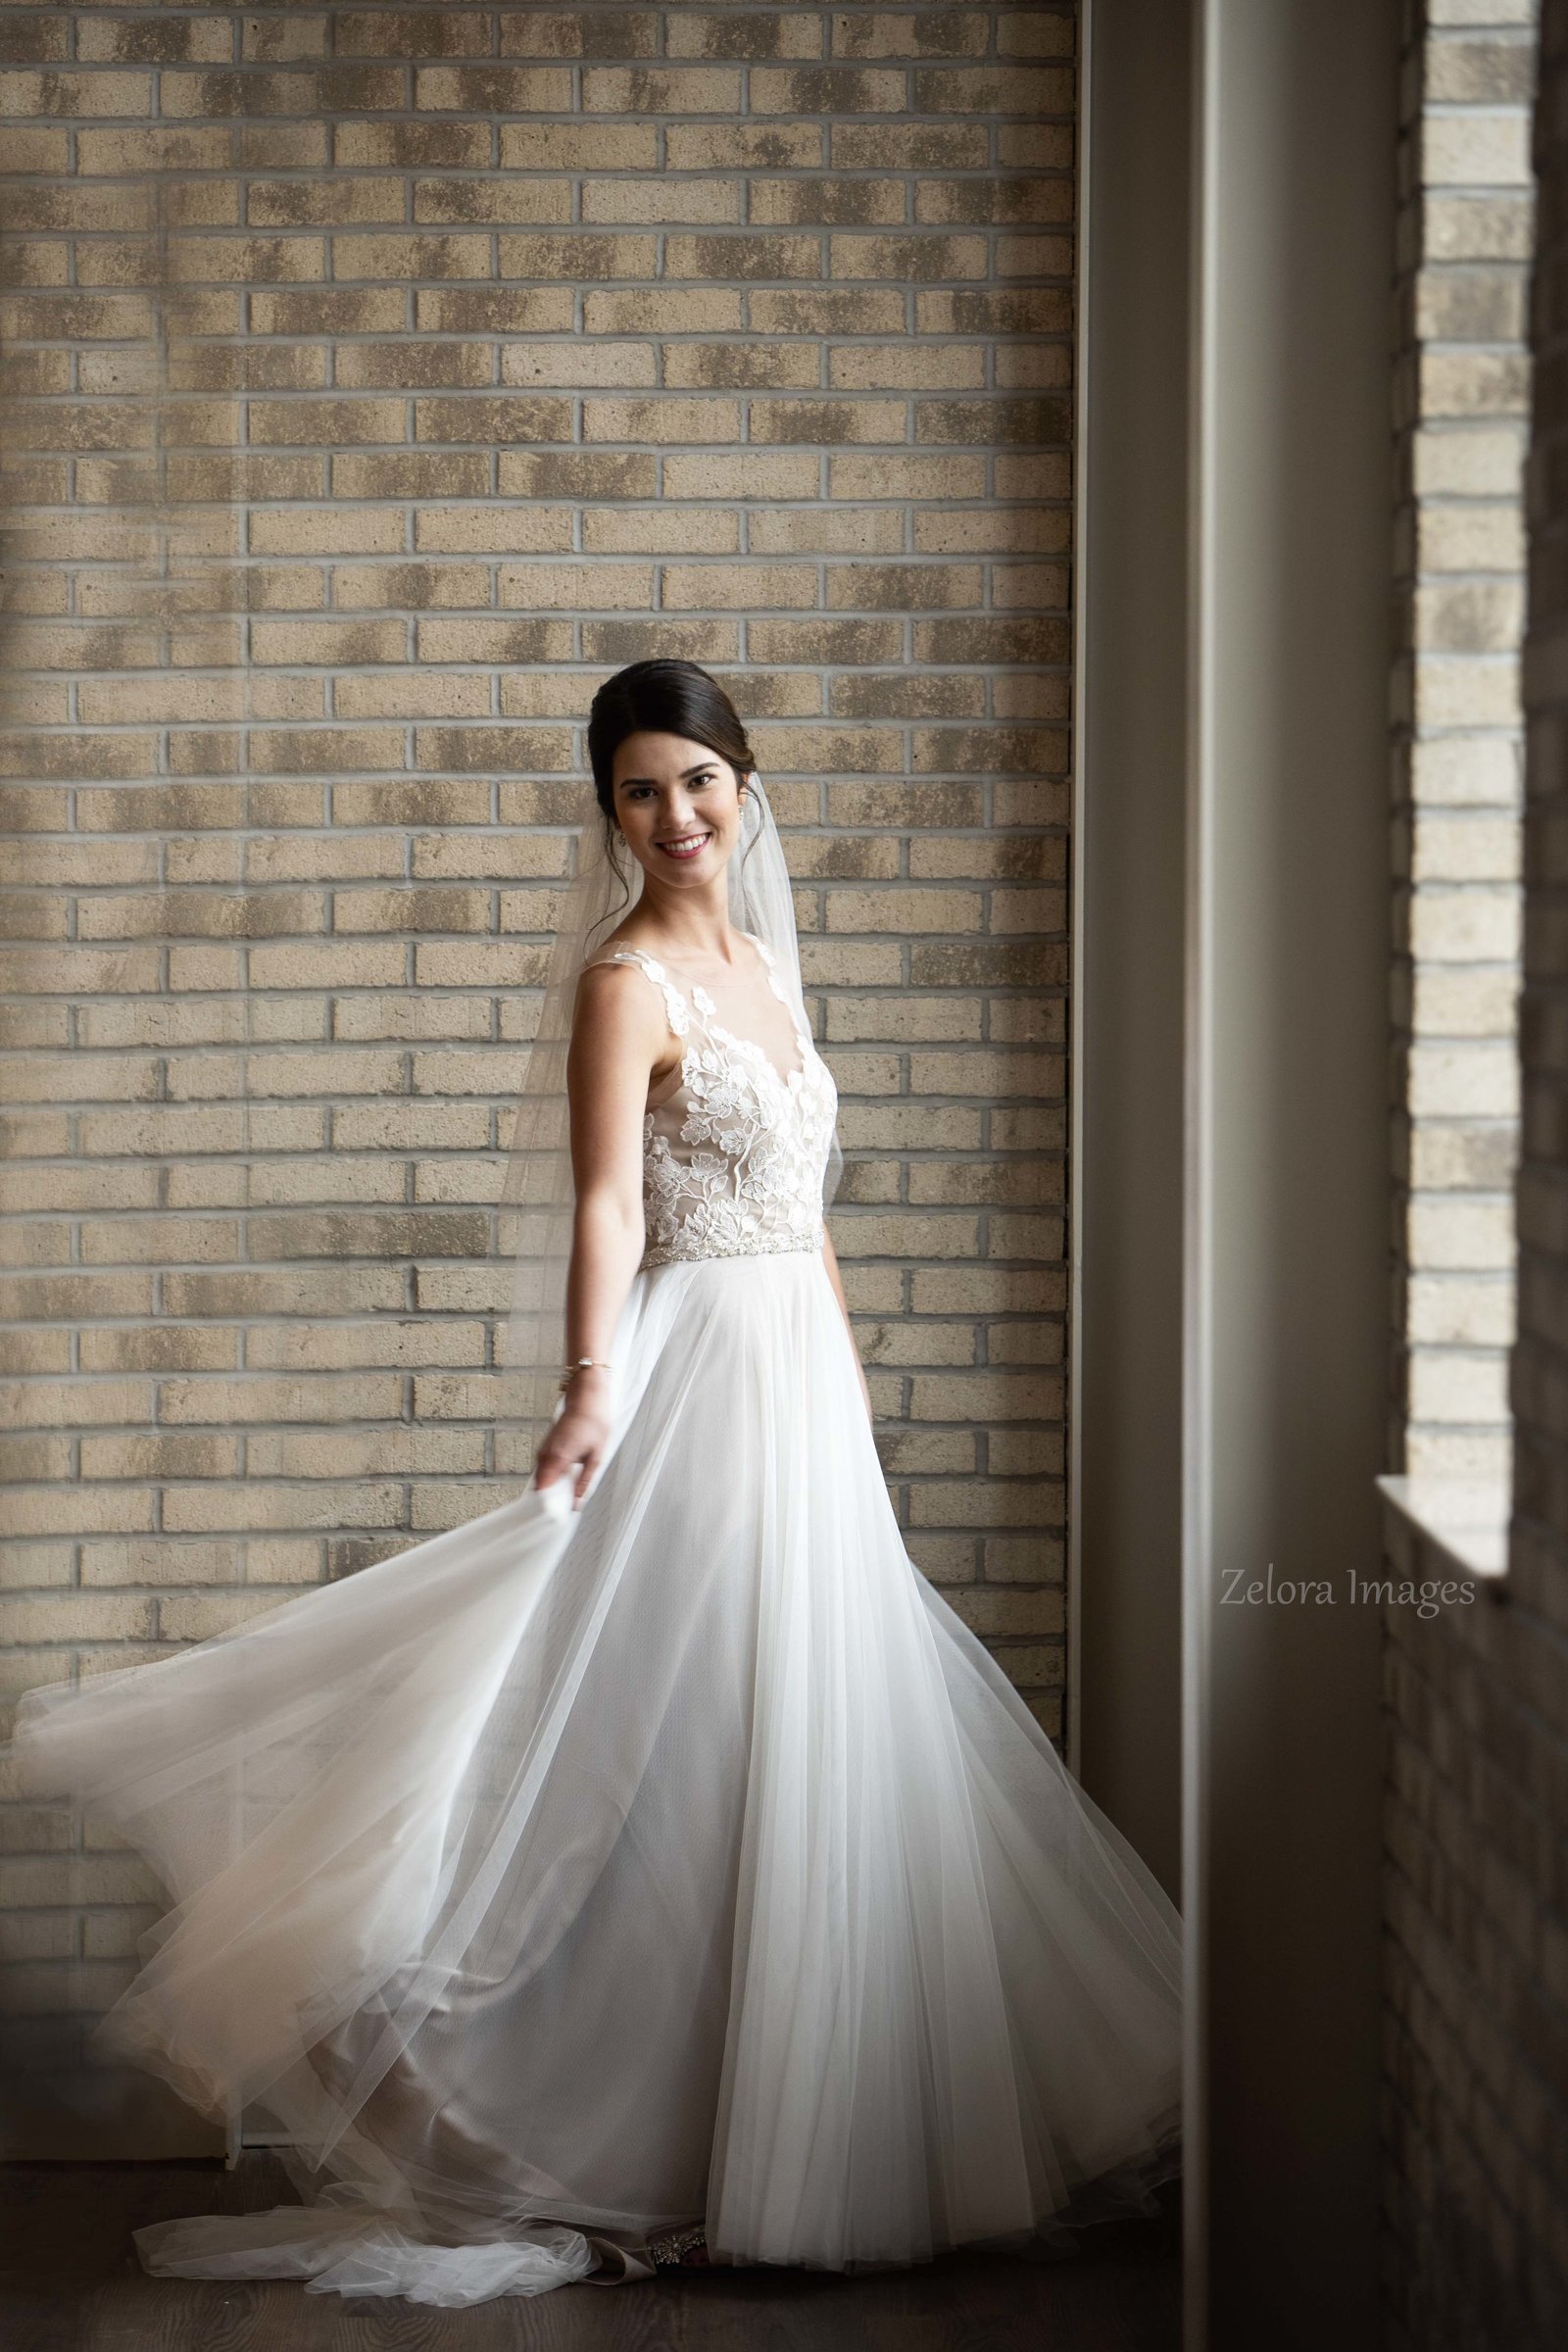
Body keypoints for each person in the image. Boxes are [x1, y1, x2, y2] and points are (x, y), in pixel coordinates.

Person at [4, 661, 1182, 2308]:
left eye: (698, 780)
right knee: (693, 1746)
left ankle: (798, 2145)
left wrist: (849, 1397)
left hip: (798, 1390)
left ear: (746, 787)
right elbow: (612, 1211)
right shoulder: (625, 982)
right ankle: (590, 2131)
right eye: (638, 790)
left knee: (819, 1742)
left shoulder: (769, 971)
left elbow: (808, 1211)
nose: (675, 816)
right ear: (608, 812)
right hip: (692, 1374)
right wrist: (587, 1391)